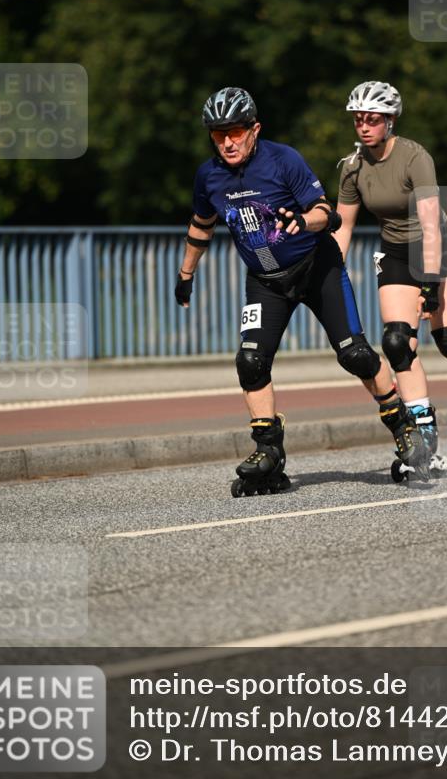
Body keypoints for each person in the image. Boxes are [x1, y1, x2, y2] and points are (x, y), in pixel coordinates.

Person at [174, 86, 431, 496]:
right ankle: (269, 453)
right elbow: (201, 225)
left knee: (356, 354)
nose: (227, 141)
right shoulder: (209, 176)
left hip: (318, 268)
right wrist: (186, 274)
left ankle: (404, 426)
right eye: (218, 134)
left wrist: (302, 221)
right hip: (266, 281)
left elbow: (324, 211)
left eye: (236, 131)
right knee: (251, 362)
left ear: (254, 129)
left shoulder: (283, 159)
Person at [333, 80, 447, 471]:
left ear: (390, 120)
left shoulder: (414, 157)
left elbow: (431, 224)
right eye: (358, 120)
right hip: (396, 251)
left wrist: (430, 285)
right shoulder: (352, 168)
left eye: (373, 119)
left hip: (436, 244)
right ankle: (423, 434)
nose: (364, 126)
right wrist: (328, 274)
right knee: (397, 342)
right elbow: (344, 228)